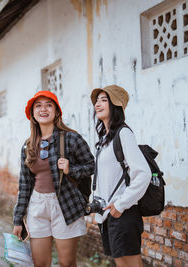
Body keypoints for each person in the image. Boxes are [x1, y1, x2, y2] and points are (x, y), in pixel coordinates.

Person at [13, 91, 95, 267]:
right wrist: (18, 219)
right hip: (37, 206)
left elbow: (91, 166)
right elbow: (25, 184)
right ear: (32, 114)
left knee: (67, 263)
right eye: (38, 106)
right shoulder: (27, 146)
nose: (43, 109)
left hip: (65, 205)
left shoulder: (71, 138)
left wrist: (70, 168)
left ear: (57, 111)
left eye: (48, 105)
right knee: (40, 263)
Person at [90, 85, 151, 267]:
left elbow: (143, 173)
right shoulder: (104, 139)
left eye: (104, 100)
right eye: (97, 100)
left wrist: (120, 204)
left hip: (123, 213)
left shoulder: (124, 133)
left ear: (116, 105)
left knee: (132, 264)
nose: (98, 104)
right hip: (109, 215)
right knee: (121, 263)